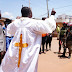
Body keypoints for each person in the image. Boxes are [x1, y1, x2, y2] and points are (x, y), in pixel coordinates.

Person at [1, 7, 56, 72]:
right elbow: (49, 26)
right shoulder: (34, 23)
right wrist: (52, 15)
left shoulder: (15, 23)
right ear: (30, 14)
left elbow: (9, 30)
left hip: (16, 52)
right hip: (28, 53)